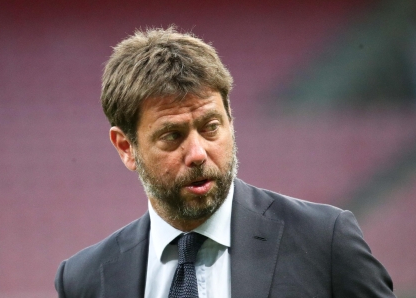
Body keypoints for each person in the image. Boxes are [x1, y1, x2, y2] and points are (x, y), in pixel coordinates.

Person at [55, 26, 395, 298]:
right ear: (126, 147)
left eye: (211, 127)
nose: (198, 153)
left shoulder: (324, 242)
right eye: (172, 136)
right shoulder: (85, 280)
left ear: (231, 119)